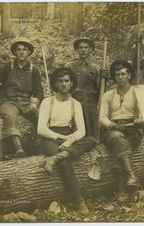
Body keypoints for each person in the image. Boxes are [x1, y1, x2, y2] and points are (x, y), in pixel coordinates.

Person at [38, 67, 96, 215]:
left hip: (68, 137)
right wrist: (63, 138)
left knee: (91, 141)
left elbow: (81, 131)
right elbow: (41, 129)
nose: (64, 84)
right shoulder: (47, 102)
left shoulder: (75, 104)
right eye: (60, 81)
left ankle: (54, 159)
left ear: (71, 84)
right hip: (51, 138)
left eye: (67, 81)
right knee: (64, 162)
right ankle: (78, 199)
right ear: (56, 84)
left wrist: (70, 140)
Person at [0, 37, 44, 158]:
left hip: (26, 102)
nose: (22, 52)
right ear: (15, 52)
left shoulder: (34, 70)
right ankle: (19, 149)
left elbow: (39, 93)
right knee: (10, 116)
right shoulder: (8, 66)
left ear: (29, 52)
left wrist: (34, 103)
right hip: (8, 101)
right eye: (19, 49)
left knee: (42, 116)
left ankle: (40, 147)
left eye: (25, 49)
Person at [99, 60, 144, 203]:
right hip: (113, 130)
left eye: (123, 74)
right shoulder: (108, 95)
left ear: (129, 75)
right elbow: (102, 117)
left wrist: (140, 119)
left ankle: (122, 190)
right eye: (117, 74)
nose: (120, 77)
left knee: (119, 151)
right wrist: (112, 125)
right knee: (118, 138)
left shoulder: (138, 92)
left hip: (132, 129)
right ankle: (132, 175)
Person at [65, 37, 102, 139]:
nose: (83, 50)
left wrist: (104, 79)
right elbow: (65, 86)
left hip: (91, 102)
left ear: (90, 49)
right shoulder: (70, 67)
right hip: (75, 100)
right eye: (80, 47)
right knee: (77, 128)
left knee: (93, 127)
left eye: (86, 47)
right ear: (77, 50)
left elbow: (100, 90)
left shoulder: (96, 68)